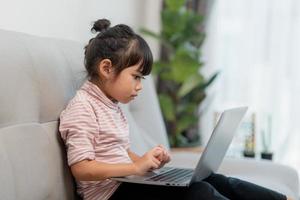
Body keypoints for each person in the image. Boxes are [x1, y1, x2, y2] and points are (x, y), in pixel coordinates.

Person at [59, 19, 290, 200]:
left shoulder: (109, 104)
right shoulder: (82, 108)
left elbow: (118, 150)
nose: (139, 87)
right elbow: (82, 168)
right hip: (111, 195)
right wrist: (136, 167)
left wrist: (146, 162)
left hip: (127, 184)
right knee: (200, 193)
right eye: (136, 77)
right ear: (106, 68)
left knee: (214, 180)